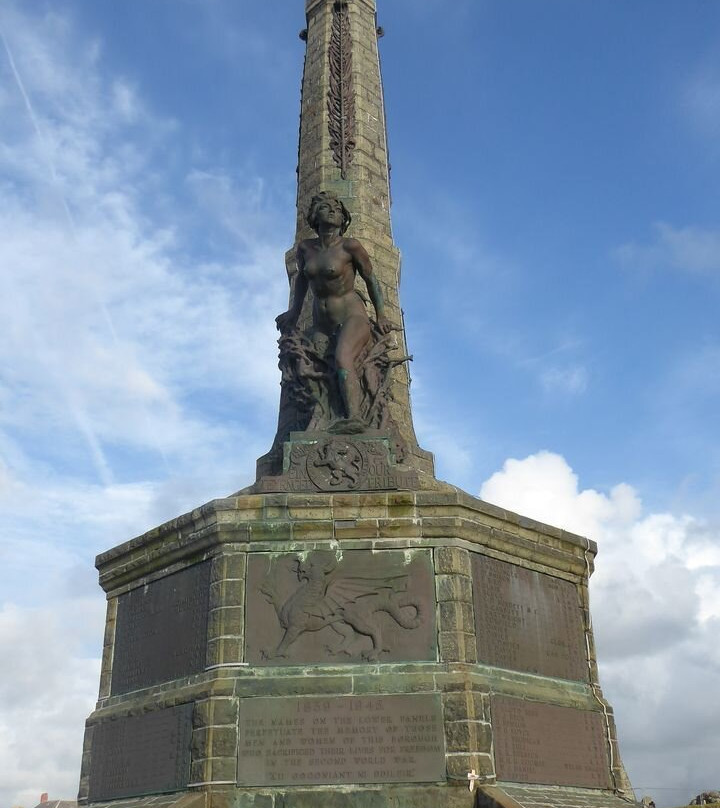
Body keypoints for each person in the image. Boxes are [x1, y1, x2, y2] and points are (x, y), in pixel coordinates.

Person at [276, 191, 394, 429]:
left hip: (352, 316)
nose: (332, 211)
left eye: (337, 209)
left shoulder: (350, 247)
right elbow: (301, 281)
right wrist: (293, 313)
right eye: (325, 207)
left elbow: (371, 280)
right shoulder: (305, 249)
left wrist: (381, 315)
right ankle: (319, 419)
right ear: (314, 216)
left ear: (343, 218)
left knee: (343, 357)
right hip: (321, 323)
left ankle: (355, 419)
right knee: (304, 365)